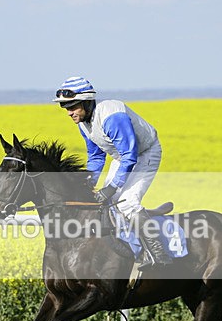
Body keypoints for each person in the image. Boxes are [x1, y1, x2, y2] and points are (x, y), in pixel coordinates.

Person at [53, 76, 171, 266]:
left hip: (145, 153)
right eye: (65, 107)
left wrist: (112, 186)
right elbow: (96, 157)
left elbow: (130, 155)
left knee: (127, 203)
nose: (69, 112)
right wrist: (87, 184)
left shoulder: (111, 117)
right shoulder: (83, 124)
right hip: (122, 157)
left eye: (72, 107)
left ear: (86, 102)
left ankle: (158, 254)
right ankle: (126, 248)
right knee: (108, 203)